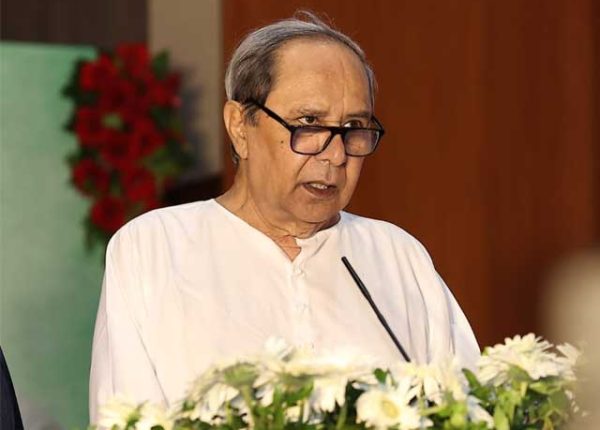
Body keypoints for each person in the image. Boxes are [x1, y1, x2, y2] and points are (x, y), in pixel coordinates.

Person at [89, 12, 479, 421]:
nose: (336, 155)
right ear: (240, 126)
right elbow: (124, 417)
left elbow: (471, 409)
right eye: (308, 123)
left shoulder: (398, 256)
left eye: (353, 126)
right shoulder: (153, 249)